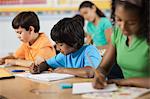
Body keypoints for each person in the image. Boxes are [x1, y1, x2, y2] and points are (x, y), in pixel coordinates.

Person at [93, 0, 150, 88]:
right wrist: (99, 75)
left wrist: (126, 81)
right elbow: (104, 67)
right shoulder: (117, 33)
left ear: (145, 19)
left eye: (131, 23)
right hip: (130, 93)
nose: (123, 27)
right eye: (119, 19)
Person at [30, 15, 102, 78]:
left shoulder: (89, 50)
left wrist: (64, 70)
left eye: (61, 45)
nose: (58, 48)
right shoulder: (65, 55)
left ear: (74, 42)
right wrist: (38, 68)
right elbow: (47, 64)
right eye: (57, 44)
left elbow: (89, 72)